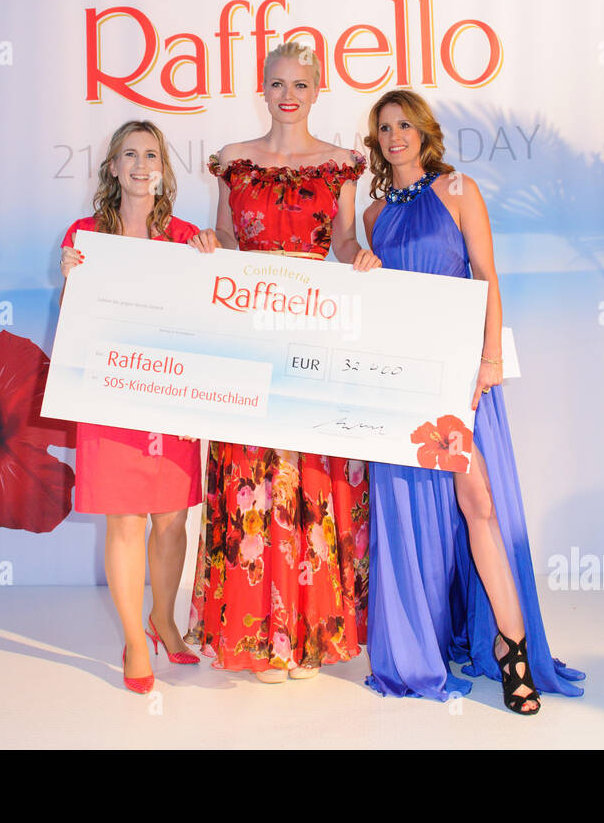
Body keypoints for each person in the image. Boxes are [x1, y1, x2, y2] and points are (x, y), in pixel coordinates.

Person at [360, 90, 585, 714]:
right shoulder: (374, 214)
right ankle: (424, 648)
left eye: (405, 124)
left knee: (479, 503)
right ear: (375, 140)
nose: (395, 135)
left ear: (424, 131)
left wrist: (488, 362)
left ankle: (512, 652)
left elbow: (485, 275)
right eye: (384, 128)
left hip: (462, 380)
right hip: (403, 381)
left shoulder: (458, 189)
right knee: (413, 517)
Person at [185, 42, 378, 682]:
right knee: (250, 470)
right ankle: (261, 638)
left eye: (300, 83)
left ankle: (307, 635)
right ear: (262, 89)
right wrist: (212, 244)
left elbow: (345, 237)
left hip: (313, 333)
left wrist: (357, 256)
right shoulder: (233, 161)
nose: (288, 93)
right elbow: (231, 238)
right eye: (277, 82)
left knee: (307, 473)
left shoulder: (343, 164)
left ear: (317, 91)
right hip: (248, 330)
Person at [59, 120, 203, 694]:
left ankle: (164, 619)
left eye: (152, 155)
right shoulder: (84, 233)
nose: (142, 165)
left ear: (163, 168)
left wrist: (210, 259)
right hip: (110, 393)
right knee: (124, 519)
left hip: (172, 392)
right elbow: (76, 320)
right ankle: (134, 641)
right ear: (112, 168)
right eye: (129, 155)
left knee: (171, 519)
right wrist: (70, 279)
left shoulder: (189, 235)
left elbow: (207, 313)